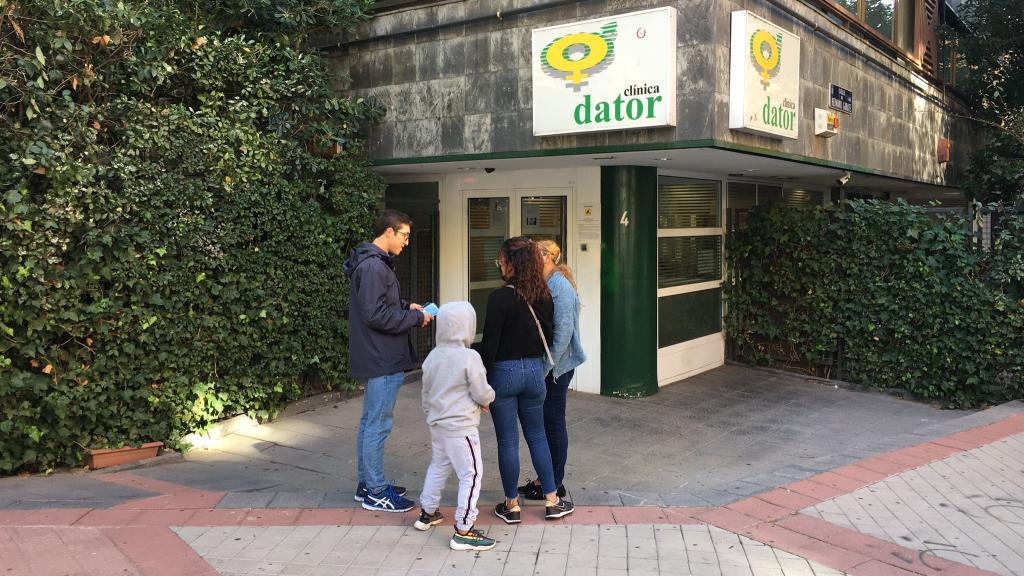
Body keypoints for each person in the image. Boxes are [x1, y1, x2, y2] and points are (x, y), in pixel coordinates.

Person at [475, 236, 574, 523]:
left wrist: (480, 384)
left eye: (501, 260)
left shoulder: (499, 298)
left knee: (507, 441)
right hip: (534, 374)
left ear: (512, 263)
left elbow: (490, 347)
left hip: (504, 375)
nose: (499, 265)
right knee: (538, 436)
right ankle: (552, 501)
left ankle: (512, 505)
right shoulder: (543, 295)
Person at [343, 209, 432, 513]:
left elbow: (378, 304)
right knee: (377, 425)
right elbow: (375, 314)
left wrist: (407, 305)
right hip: (381, 357)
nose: (407, 242)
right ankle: (376, 491)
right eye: (405, 235)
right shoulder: (373, 267)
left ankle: (367, 484)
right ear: (389, 232)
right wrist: (415, 318)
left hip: (379, 355)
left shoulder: (374, 264)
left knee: (371, 423)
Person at [413, 301, 497, 551]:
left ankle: (427, 513)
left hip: (437, 425)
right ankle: (464, 528)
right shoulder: (469, 357)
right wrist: (487, 400)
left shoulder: (432, 357)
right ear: (467, 327)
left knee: (438, 466)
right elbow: (481, 391)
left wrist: (432, 414)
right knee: (471, 474)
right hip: (461, 428)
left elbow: (426, 394)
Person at [517, 240, 586, 502]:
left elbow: (563, 334)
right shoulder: (546, 282)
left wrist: (546, 369)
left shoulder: (559, 285)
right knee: (546, 424)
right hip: (549, 366)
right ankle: (545, 479)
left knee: (553, 422)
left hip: (557, 368)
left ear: (546, 257)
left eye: (534, 255)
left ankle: (554, 483)